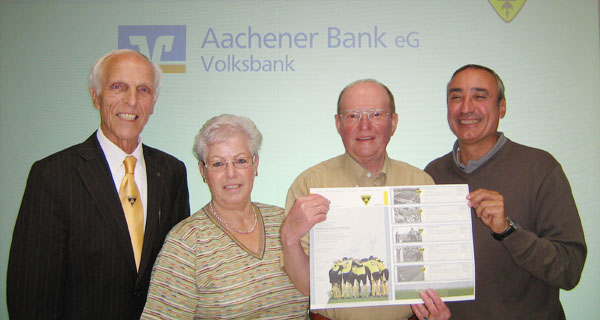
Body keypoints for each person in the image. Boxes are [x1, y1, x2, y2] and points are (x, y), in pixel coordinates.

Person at [6, 50, 190, 320]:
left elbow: (179, 279)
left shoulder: (172, 172)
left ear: (153, 103)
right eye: (118, 87)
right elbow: (31, 295)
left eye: (143, 90)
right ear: (95, 97)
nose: (132, 100)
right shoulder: (53, 175)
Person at [425, 64, 586, 319]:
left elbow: (569, 270)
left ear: (502, 107)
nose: (466, 108)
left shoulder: (540, 168)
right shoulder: (432, 174)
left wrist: (508, 231)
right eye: (456, 97)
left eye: (479, 96)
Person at [281, 79, 450, 320]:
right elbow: (306, 286)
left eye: (376, 114)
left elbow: (436, 269)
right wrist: (289, 238)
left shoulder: (420, 183)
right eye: (353, 116)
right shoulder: (308, 185)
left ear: (393, 122)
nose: (364, 126)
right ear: (338, 124)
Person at [141, 114, 309, 319]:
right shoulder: (186, 242)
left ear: (255, 164)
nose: (231, 173)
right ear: (203, 171)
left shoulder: (285, 222)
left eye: (241, 161)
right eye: (218, 164)